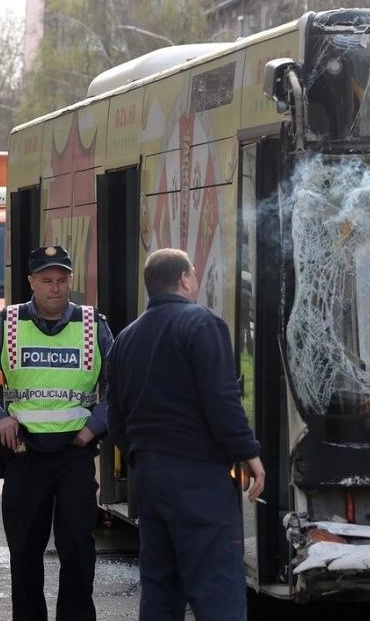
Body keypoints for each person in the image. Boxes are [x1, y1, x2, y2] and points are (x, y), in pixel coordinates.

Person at [106, 248, 265, 621]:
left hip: (148, 478)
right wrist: (249, 452)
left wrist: (140, 457)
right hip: (197, 477)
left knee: (160, 587)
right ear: (184, 279)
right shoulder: (202, 324)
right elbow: (221, 399)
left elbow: (116, 416)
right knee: (216, 586)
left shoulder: (125, 340)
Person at [0, 245, 112, 621]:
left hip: (75, 452)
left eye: (61, 281)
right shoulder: (7, 323)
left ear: (70, 282)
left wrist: (93, 427)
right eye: (46, 281)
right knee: (25, 551)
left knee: (77, 546)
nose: (55, 288)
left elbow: (121, 386)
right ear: (31, 282)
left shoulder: (93, 325)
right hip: (24, 452)